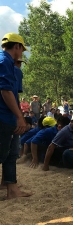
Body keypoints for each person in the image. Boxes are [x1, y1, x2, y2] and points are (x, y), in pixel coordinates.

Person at [0, 32, 32, 199]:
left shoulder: (7, 62)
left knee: (11, 154)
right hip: (3, 117)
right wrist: (20, 116)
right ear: (17, 47)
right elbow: (5, 91)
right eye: (22, 49)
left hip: (8, 117)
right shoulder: (4, 61)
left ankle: (12, 190)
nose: (21, 53)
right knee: (2, 154)